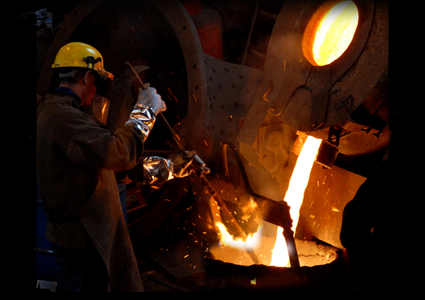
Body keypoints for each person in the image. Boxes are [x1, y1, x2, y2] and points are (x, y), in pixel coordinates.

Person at [37, 42, 192, 292]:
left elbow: (112, 169)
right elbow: (118, 154)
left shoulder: (67, 114)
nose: (97, 89)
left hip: (89, 240)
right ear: (88, 77)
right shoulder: (62, 118)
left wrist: (170, 168)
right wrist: (145, 112)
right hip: (80, 241)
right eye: (96, 82)